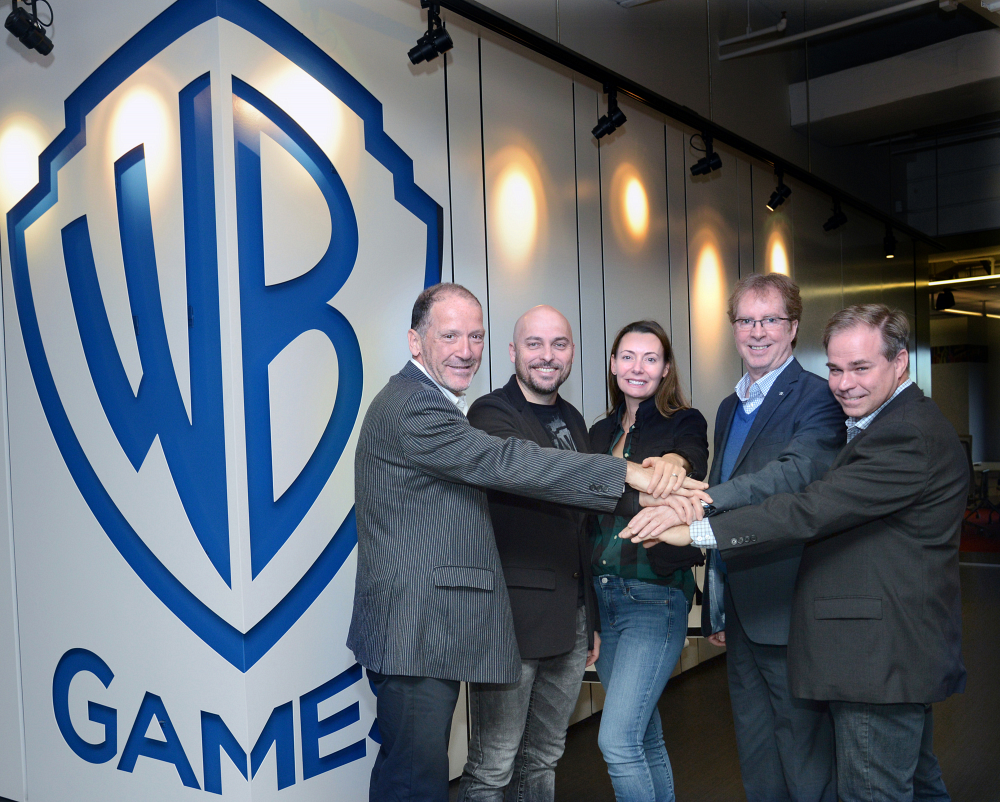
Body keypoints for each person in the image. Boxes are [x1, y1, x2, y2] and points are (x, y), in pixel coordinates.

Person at [629, 304, 968, 802]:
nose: (844, 384)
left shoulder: (905, 433)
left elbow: (810, 508)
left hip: (877, 657)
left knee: (873, 790)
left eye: (860, 368)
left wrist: (697, 529)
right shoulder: (891, 421)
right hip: (890, 654)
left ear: (900, 363)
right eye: (835, 369)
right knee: (917, 784)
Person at [347, 284, 672, 802]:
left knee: (411, 774)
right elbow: (506, 462)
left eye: (474, 336)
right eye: (449, 335)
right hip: (413, 633)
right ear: (415, 342)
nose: (465, 349)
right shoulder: (414, 407)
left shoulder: (433, 403)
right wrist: (627, 472)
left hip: (425, 633)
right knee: (416, 781)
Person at [626, 273, 844, 802]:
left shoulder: (818, 397)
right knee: (755, 746)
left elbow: (791, 476)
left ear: (793, 327)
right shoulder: (729, 406)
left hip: (789, 604)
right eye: (746, 320)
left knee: (804, 752)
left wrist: (699, 503)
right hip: (741, 609)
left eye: (770, 320)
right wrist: (718, 606)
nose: (757, 331)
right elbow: (727, 489)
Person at [457, 305, 600, 802]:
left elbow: (582, 527)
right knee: (493, 764)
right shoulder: (490, 414)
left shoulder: (572, 419)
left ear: (572, 353)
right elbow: (536, 472)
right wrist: (627, 476)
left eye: (559, 344)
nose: (547, 356)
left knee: (544, 756)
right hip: (513, 622)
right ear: (513, 351)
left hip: (571, 617)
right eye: (534, 344)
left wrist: (590, 618)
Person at [588, 320, 709, 802]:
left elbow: (688, 463)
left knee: (617, 741)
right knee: (643, 737)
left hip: (653, 598)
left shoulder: (684, 421)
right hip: (603, 597)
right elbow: (581, 505)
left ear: (665, 369)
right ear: (613, 364)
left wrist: (673, 466)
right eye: (628, 356)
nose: (637, 367)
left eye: (650, 358)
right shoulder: (598, 431)